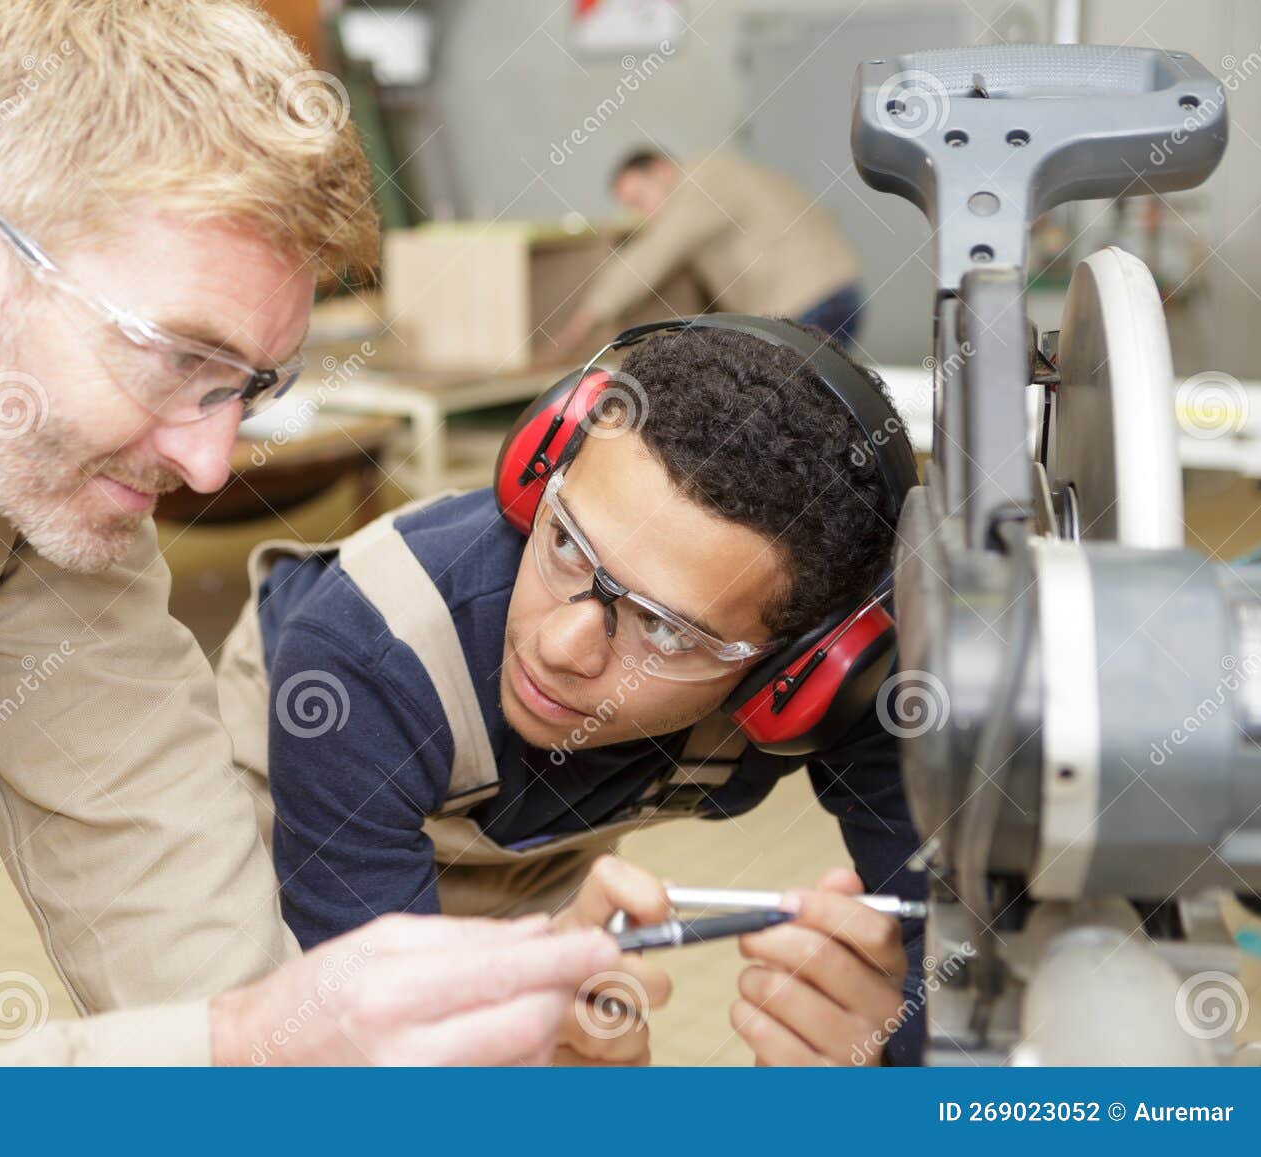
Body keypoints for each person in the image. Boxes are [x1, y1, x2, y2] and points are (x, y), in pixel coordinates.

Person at [0, 0, 619, 1067]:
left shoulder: (17, 440)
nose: (211, 466)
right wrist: (241, 1047)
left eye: (248, 385)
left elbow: (165, 885)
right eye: (179, 361)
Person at [217, 319, 927, 1066]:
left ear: (798, 673)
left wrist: (890, 1072)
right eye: (564, 541)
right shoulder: (362, 661)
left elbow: (952, 940)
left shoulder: (850, 682)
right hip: (307, 773)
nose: (559, 649)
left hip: (530, 831)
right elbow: (377, 1059)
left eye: (664, 629)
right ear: (539, 472)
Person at [555, 149, 866, 350]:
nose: (643, 214)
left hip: (812, 300)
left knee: (786, 402)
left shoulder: (702, 185)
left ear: (662, 170)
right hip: (828, 291)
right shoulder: (717, 173)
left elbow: (655, 253)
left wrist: (589, 312)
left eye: (639, 199)